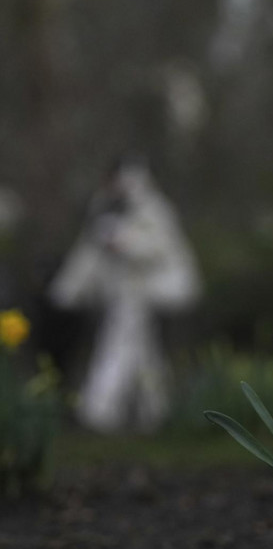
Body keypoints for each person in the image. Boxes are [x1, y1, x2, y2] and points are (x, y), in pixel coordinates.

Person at [49, 157, 200, 432]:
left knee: (119, 347)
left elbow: (162, 249)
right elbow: (88, 253)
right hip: (123, 294)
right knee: (142, 353)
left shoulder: (152, 208)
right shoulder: (104, 207)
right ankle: (154, 412)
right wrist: (68, 290)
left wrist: (123, 242)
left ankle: (98, 412)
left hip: (146, 292)